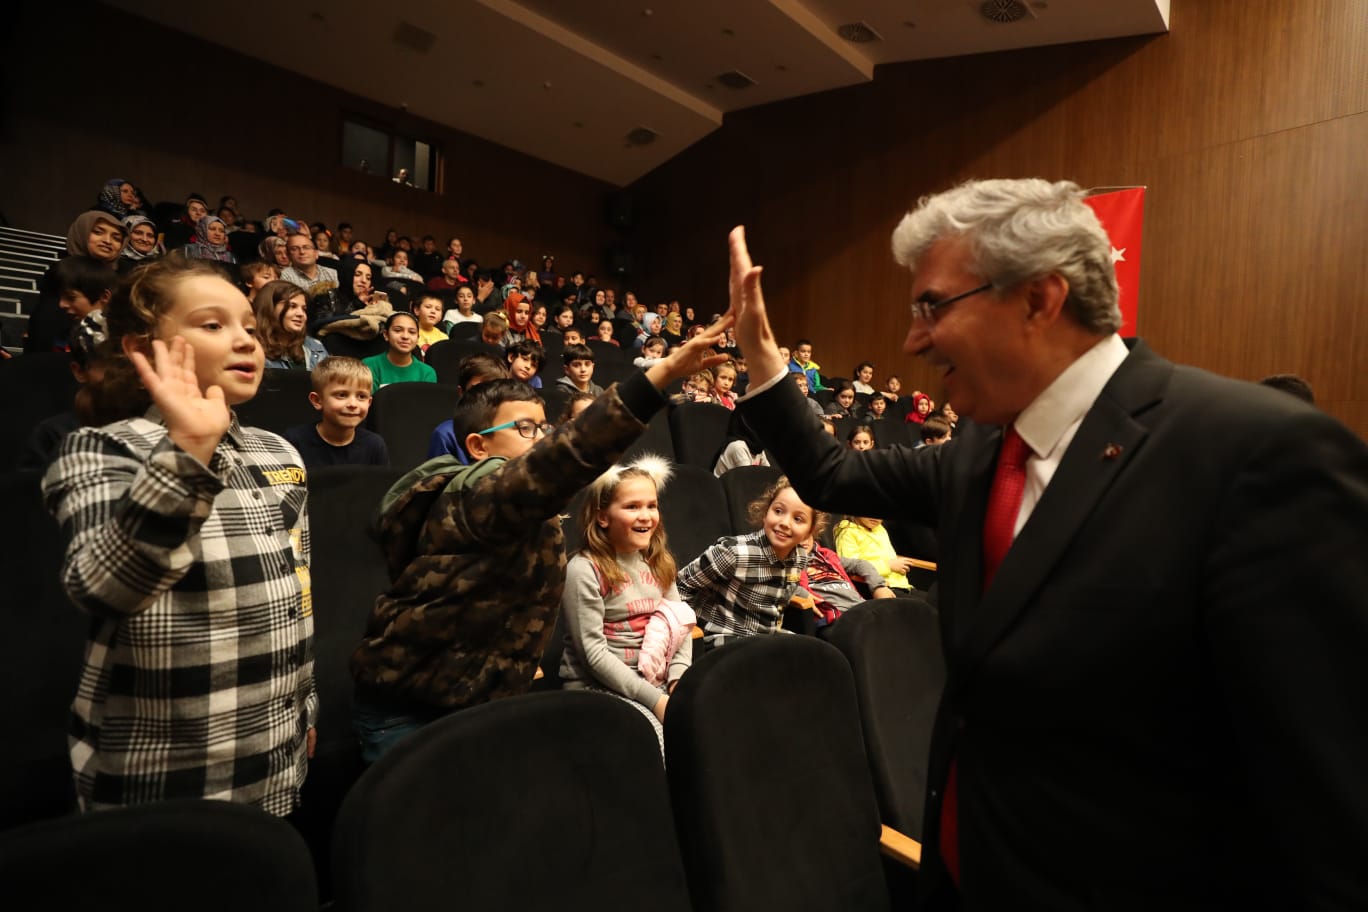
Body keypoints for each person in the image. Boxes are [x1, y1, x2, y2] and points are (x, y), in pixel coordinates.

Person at [724, 179, 1368, 908]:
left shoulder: (1254, 455)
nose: (912, 339)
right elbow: (831, 471)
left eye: (931, 305)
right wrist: (760, 354)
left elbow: (1329, 809)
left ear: (1039, 298)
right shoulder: (976, 449)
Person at [349, 321, 732, 762]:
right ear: (478, 445)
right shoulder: (473, 491)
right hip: (408, 708)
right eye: (526, 429)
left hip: (476, 699)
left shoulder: (524, 506)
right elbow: (561, 461)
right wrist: (657, 378)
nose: (544, 437)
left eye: (544, 427)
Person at [41, 256, 317, 816]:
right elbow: (103, 588)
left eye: (247, 324)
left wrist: (306, 705)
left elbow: (299, 592)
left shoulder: (279, 452)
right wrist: (189, 450)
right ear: (142, 349)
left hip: (274, 754)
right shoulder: (102, 449)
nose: (244, 340)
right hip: (160, 775)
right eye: (212, 325)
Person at [560, 457, 694, 750]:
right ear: (603, 517)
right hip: (598, 688)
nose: (646, 515)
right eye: (632, 506)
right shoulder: (584, 569)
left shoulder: (658, 561)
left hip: (655, 680)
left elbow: (680, 623)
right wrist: (656, 700)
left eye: (652, 505)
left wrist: (677, 681)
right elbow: (594, 656)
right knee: (657, 744)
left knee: (705, 732)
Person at [677, 476, 817, 647]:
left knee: (812, 653)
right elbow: (680, 585)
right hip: (726, 637)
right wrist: (689, 629)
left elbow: (784, 586)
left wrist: (805, 594)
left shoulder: (799, 558)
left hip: (767, 637)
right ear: (766, 513)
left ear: (810, 530)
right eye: (778, 511)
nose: (784, 523)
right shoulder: (734, 553)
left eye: (798, 519)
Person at [284, 357, 389, 467]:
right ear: (317, 400)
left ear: (369, 402)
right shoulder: (294, 442)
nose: (353, 404)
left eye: (361, 396)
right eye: (342, 395)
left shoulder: (374, 445)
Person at [427, 355, 510, 462]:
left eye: (494, 389)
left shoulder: (510, 430)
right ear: (461, 393)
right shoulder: (446, 434)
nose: (486, 396)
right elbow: (437, 477)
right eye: (477, 389)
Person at [254, 281, 327, 370]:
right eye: (292, 306)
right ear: (270, 308)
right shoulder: (252, 348)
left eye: (304, 309)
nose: (301, 314)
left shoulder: (315, 346)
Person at [833, 516, 914, 594]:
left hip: (902, 586)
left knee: (925, 602)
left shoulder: (880, 529)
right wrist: (888, 566)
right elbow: (851, 569)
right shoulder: (848, 533)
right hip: (877, 588)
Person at [363, 312, 436, 391]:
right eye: (398, 330)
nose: (405, 336)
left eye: (412, 332)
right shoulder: (368, 366)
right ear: (386, 335)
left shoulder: (427, 372)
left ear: (417, 338)